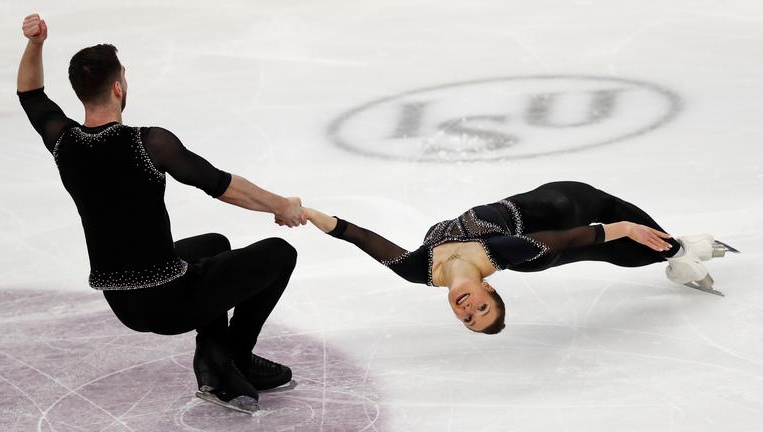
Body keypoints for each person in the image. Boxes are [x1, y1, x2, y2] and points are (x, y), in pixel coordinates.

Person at [17, 14, 304, 410]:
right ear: (118, 87)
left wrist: (34, 45)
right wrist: (280, 205)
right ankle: (235, 358)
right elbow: (220, 184)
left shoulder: (63, 141)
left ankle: (213, 359)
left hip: (123, 302)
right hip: (170, 300)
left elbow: (31, 94)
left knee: (213, 244)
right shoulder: (149, 143)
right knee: (280, 253)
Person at [305, 181, 734, 334]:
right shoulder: (502, 252)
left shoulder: (417, 269)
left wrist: (305, 213)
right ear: (490, 289)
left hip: (547, 210)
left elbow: (359, 236)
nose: (469, 310)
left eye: (469, 319)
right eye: (482, 310)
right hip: (556, 219)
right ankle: (680, 253)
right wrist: (625, 228)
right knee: (603, 236)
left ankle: (679, 252)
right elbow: (569, 237)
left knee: (605, 240)